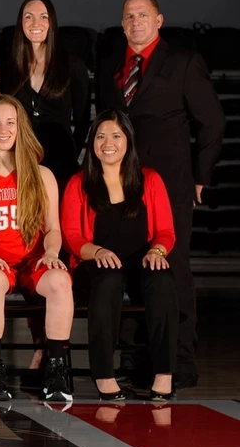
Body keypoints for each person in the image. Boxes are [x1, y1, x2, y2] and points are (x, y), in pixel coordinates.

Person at [95, 0, 225, 389]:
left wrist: (200, 176)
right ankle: (140, 359)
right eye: (129, 16)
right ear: (122, 23)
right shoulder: (109, 67)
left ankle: (180, 359)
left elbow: (213, 122)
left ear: (159, 20)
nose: (136, 22)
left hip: (171, 185)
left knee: (173, 267)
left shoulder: (184, 62)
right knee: (133, 265)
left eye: (143, 15)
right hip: (123, 185)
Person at [0, 95, 73, 403]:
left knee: (60, 281)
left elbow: (54, 228)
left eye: (10, 122)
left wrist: (51, 253)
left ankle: (56, 370)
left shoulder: (41, 175)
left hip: (32, 260)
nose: (3, 130)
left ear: (21, 128)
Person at [61, 109, 178, 401]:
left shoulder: (149, 179)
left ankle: (164, 373)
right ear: (91, 143)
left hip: (141, 259)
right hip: (97, 263)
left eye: (115, 135)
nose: (107, 142)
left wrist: (157, 251)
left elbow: (166, 231)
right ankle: (104, 374)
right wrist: (97, 250)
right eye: (100, 136)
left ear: (128, 140)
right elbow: (72, 236)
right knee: (109, 278)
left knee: (162, 279)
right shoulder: (79, 183)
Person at [0, 0, 90, 192]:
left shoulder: (72, 65)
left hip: (62, 161)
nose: (35, 23)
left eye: (43, 17)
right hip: (22, 161)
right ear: (21, 22)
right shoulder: (10, 68)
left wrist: (72, 152)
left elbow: (83, 120)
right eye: (28, 16)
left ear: (52, 22)